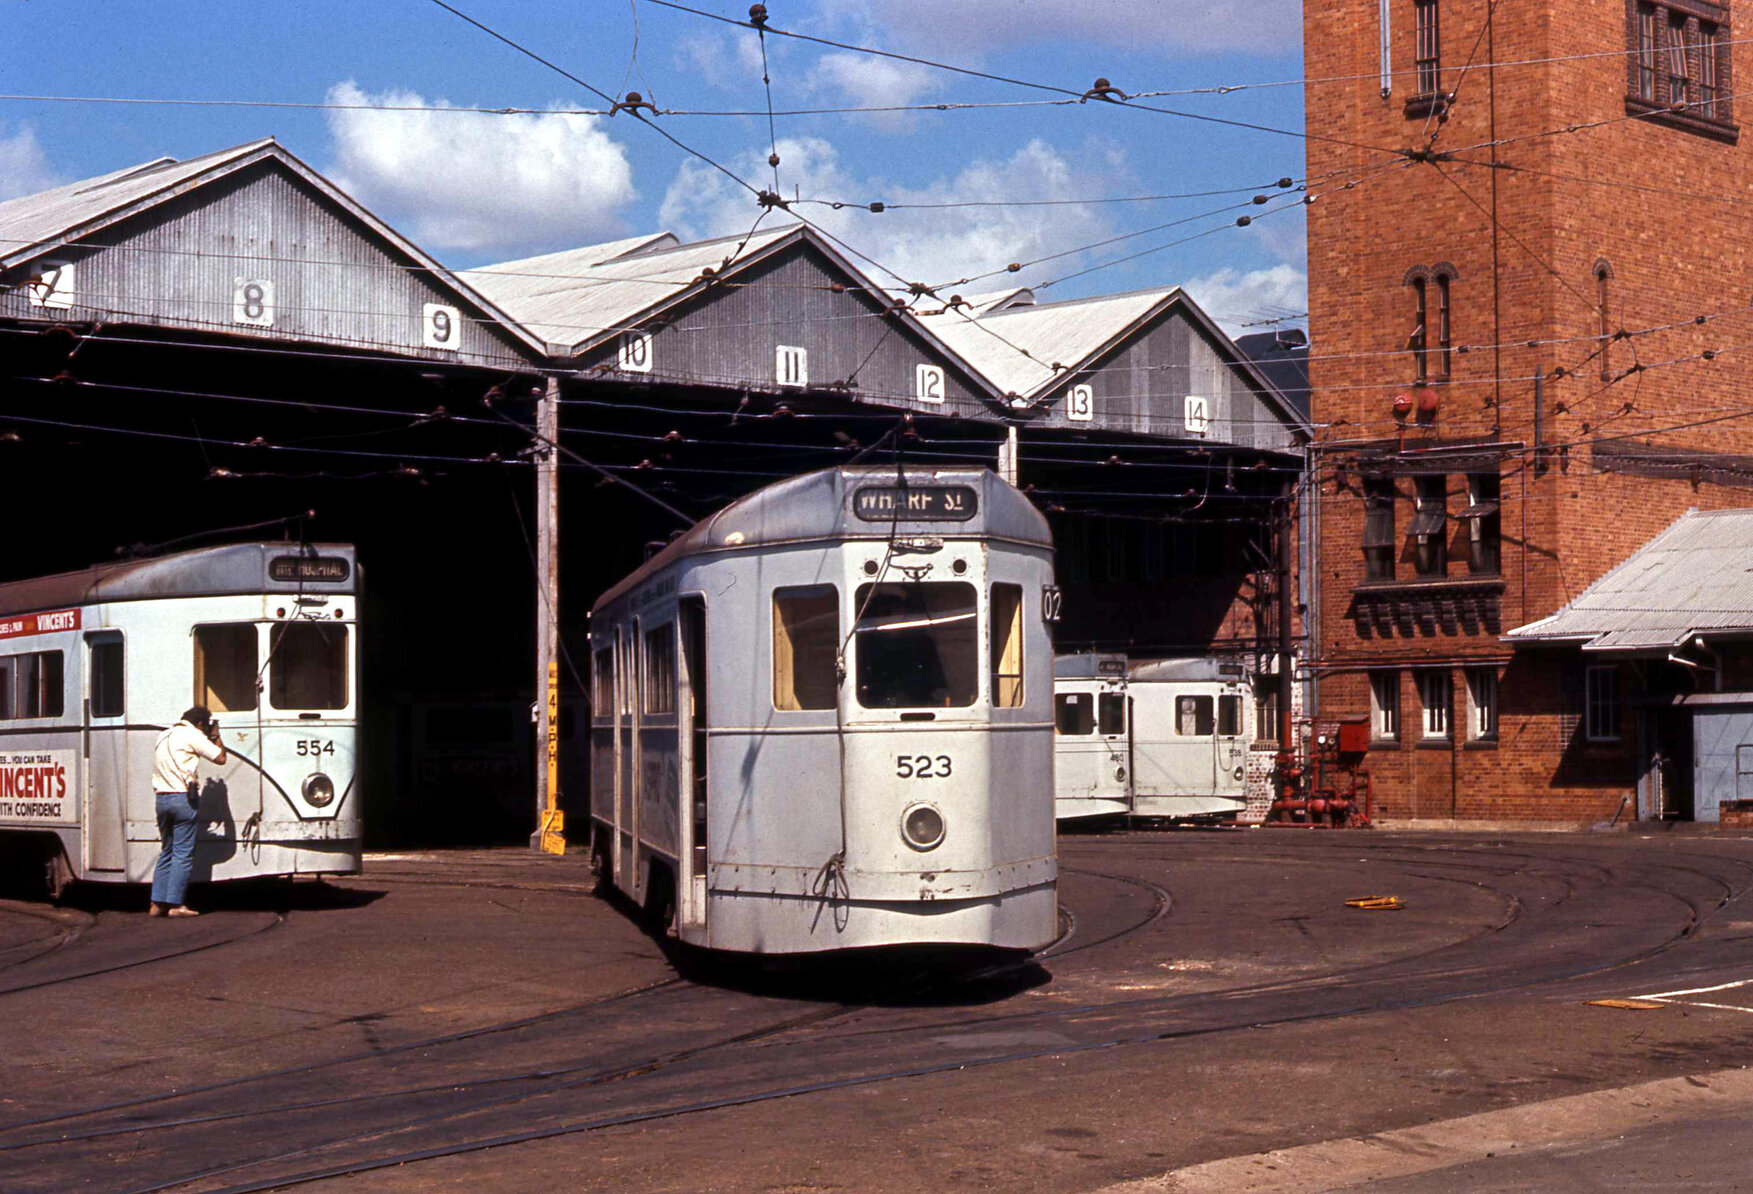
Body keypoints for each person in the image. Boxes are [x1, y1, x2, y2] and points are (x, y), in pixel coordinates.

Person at [149, 705, 228, 917]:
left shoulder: (163, 735)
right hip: (182, 799)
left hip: (162, 799)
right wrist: (216, 737)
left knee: (167, 850)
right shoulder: (192, 734)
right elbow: (221, 758)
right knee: (183, 853)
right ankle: (176, 905)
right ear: (201, 724)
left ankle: (157, 904)